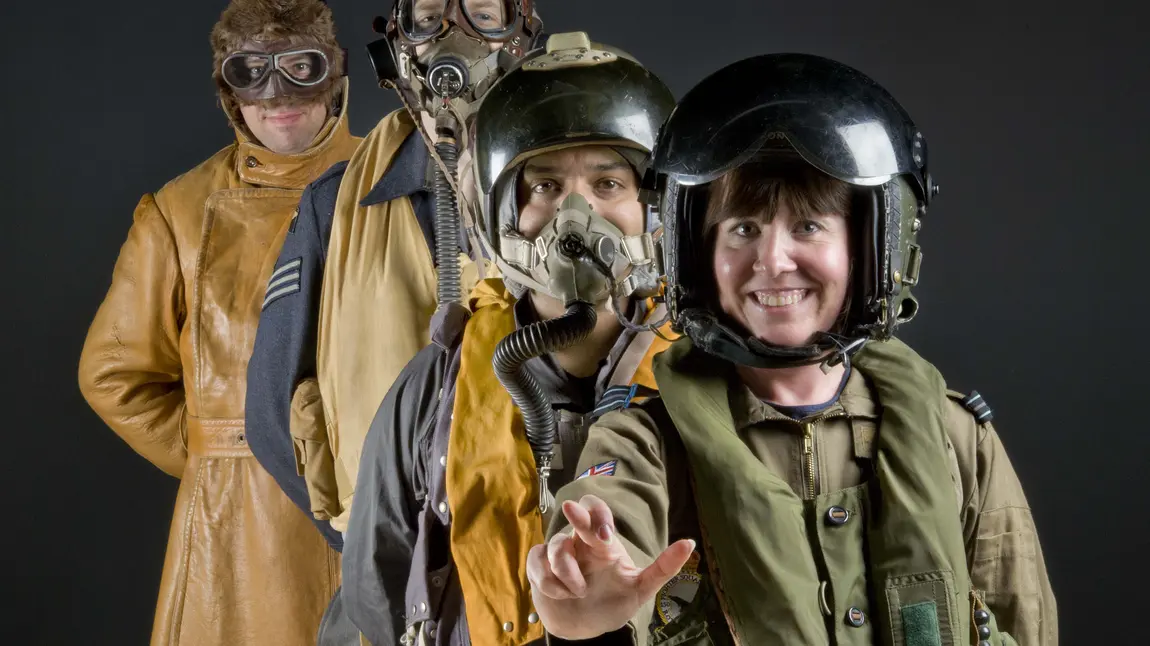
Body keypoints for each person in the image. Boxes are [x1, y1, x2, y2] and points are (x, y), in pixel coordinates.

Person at [527, 53, 1058, 646]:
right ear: (696, 255)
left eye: (809, 227)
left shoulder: (957, 439)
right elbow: (605, 528)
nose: (773, 261)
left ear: (870, 249)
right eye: (743, 229)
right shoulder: (644, 444)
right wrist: (581, 608)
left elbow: (1023, 622)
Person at [341, 32, 676, 646]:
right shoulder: (435, 388)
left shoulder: (702, 377)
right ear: (498, 214)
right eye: (544, 186)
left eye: (608, 185)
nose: (577, 217)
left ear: (656, 209)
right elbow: (373, 588)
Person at [77, 1, 360, 644]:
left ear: (336, 74)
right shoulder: (181, 211)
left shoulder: (402, 187)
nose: (276, 93)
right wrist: (230, 456)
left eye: (300, 66)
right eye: (250, 71)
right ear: (226, 89)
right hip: (240, 531)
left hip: (382, 506)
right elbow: (113, 374)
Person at [244, 0, 544, 547]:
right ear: (399, 43)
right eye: (428, 16)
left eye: (481, 13)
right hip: (399, 555)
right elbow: (270, 415)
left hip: (543, 547)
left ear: (521, 36)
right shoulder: (334, 205)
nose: (455, 34)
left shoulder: (581, 191)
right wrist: (364, 544)